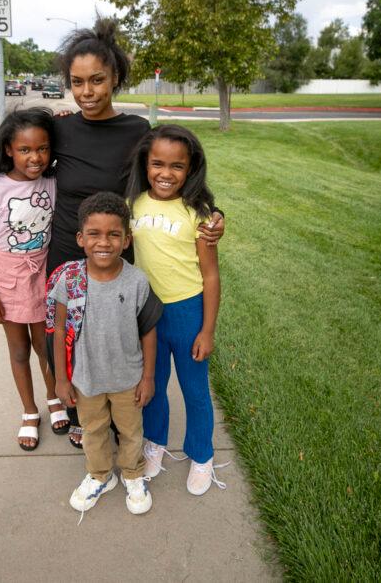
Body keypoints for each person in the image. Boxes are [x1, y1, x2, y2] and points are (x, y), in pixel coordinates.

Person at [0, 17, 225, 448]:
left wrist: (212, 213)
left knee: (113, 339)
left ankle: (117, 412)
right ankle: (77, 412)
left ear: (115, 79)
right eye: (78, 82)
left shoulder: (136, 131)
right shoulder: (61, 129)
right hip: (66, 252)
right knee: (64, 341)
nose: (87, 92)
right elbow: (20, 168)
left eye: (97, 81)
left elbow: (169, 178)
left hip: (114, 256)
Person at [126, 124, 226, 495]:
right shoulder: (132, 204)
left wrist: (207, 330)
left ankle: (202, 455)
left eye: (177, 166)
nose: (165, 174)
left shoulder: (198, 214)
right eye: (157, 164)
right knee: (150, 384)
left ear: (191, 168)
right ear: (145, 164)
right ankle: (155, 442)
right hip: (146, 313)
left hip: (187, 310)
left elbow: (211, 276)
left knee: (194, 387)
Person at [49, 192, 156, 517]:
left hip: (127, 378)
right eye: (94, 234)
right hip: (86, 380)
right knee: (93, 431)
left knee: (130, 431)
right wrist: (62, 379)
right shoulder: (70, 279)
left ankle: (133, 474)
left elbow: (148, 330)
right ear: (81, 238)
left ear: (126, 239)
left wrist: (148, 377)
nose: (103, 242)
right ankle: (99, 475)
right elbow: (58, 331)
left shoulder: (137, 280)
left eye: (113, 234)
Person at [0, 107, 70, 451]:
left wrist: (62, 119)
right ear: (8, 150)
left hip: (44, 272)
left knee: (45, 346)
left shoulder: (54, 181)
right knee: (19, 350)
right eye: (25, 149)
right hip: (8, 278)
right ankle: (29, 411)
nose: (35, 157)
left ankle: (53, 398)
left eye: (42, 148)